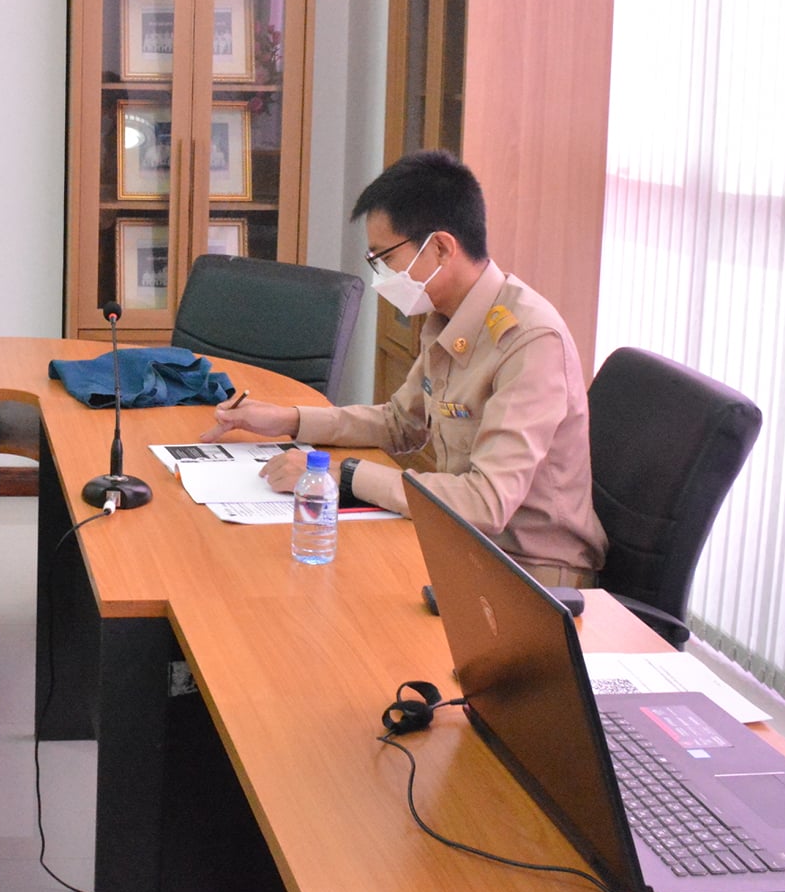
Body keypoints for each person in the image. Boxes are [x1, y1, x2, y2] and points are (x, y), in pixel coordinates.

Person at [203, 150, 605, 586]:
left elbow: (485, 503)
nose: (380, 276)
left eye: (385, 258)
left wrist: (343, 474)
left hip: (531, 574)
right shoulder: (448, 316)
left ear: (441, 247)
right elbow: (400, 423)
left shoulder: (529, 341)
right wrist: (288, 420)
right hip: (464, 540)